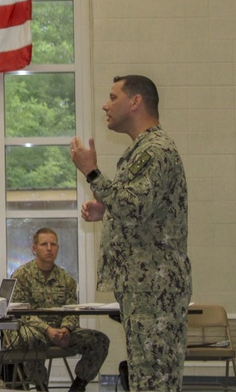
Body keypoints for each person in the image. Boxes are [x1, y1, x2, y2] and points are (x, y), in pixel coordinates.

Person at [70, 74, 191, 392]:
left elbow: (133, 207)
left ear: (136, 101)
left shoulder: (154, 150)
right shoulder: (143, 149)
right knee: (146, 380)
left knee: (154, 382)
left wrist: (91, 171)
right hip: (145, 288)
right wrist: (106, 209)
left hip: (154, 287)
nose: (105, 105)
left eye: (113, 97)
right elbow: (140, 208)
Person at [7, 227, 109, 392]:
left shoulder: (66, 279)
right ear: (34, 249)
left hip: (61, 333)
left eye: (53, 244)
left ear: (58, 248)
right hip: (33, 331)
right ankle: (40, 386)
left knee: (100, 341)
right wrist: (47, 330)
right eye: (44, 244)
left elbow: (71, 310)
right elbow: (20, 313)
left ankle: (79, 385)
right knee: (32, 338)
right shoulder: (21, 276)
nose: (49, 248)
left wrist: (65, 329)